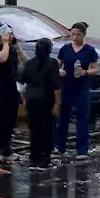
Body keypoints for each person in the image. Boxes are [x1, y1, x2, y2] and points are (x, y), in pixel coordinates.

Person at [55, 22, 98, 162]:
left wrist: (85, 72)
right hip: (66, 86)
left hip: (81, 87)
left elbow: (95, 69)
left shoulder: (89, 50)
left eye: (78, 35)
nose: (74, 37)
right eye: (72, 34)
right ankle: (59, 146)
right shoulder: (65, 49)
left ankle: (82, 149)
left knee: (82, 118)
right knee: (63, 117)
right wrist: (59, 70)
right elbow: (58, 63)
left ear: (84, 35)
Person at [19, 38, 61, 170]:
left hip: (32, 98)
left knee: (34, 128)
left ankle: (34, 157)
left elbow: (21, 83)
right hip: (46, 99)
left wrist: (24, 100)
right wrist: (57, 103)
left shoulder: (30, 63)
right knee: (47, 129)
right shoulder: (52, 63)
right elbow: (56, 86)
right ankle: (44, 158)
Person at [0, 26, 25, 165]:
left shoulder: (12, 48)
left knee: (10, 119)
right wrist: (6, 44)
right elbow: (2, 58)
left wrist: (18, 47)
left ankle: (6, 148)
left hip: (11, 87)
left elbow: (25, 61)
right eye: (8, 34)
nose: (10, 36)